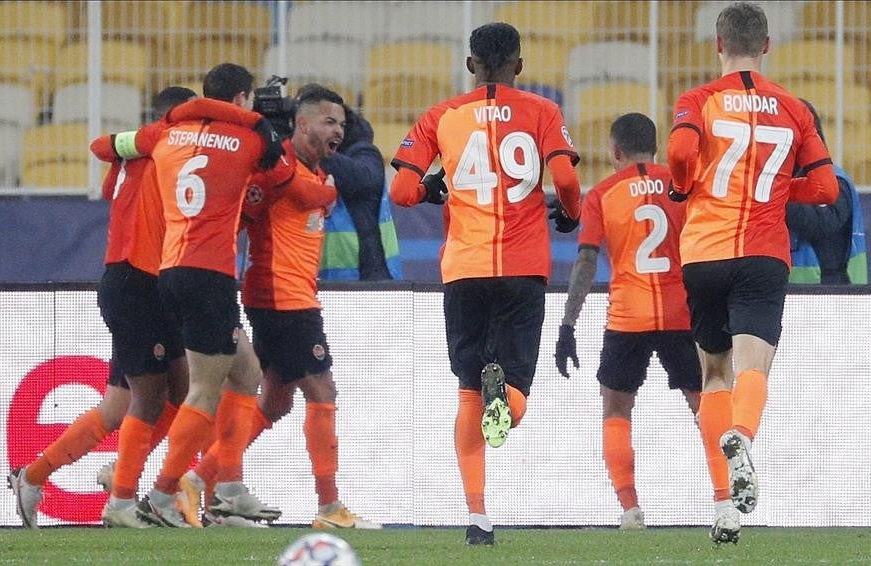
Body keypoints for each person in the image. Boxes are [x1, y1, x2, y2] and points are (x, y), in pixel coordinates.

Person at [389, 22, 582, 545]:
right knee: (513, 391)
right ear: (519, 65)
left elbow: (402, 191)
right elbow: (564, 179)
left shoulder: (441, 116)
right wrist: (570, 211)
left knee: (467, 389)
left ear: (471, 64)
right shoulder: (542, 111)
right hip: (522, 268)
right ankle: (509, 400)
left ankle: (477, 517)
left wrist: (435, 188)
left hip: (465, 269)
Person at [666, 2, 838, 544]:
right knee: (753, 368)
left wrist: (683, 185)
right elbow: (827, 190)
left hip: (704, 252)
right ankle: (742, 435)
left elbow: (679, 152)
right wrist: (784, 188)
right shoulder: (794, 108)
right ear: (766, 45)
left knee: (713, 374)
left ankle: (723, 506)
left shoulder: (698, 99)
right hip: (764, 252)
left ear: (718, 43)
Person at [91, 62, 291, 528]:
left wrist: (173, 121)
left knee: (246, 373)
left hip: (172, 270)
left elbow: (103, 146)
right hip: (210, 273)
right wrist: (261, 123)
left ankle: (229, 487)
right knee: (204, 389)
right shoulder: (248, 139)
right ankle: (163, 494)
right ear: (241, 101)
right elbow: (279, 177)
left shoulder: (163, 136)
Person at [176, 84, 380, 530]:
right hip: (281, 298)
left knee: (276, 401)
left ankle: (195, 481)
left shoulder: (318, 172)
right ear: (302, 123)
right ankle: (329, 509)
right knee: (322, 393)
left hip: (291, 297)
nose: (338, 132)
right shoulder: (275, 169)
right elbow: (247, 213)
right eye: (329, 122)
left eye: (342, 124)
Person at [7, 87, 198, 529]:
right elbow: (103, 153)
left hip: (150, 283)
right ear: (171, 119)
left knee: (140, 400)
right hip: (135, 281)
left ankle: (34, 477)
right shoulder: (158, 149)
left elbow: (107, 164)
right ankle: (123, 497)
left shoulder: (151, 157)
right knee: (150, 396)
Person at [555, 113, 702, 531]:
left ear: (614, 151)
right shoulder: (682, 189)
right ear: (656, 148)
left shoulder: (602, 194)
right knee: (703, 402)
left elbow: (586, 260)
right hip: (681, 312)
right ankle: (725, 499)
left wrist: (568, 325)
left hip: (627, 317)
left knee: (616, 407)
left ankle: (630, 508)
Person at [787, 99, 867, 285]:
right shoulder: (776, 180)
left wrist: (777, 196)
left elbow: (823, 223)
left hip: (831, 291)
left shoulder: (836, 181)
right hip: (788, 291)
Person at [319, 104, 402, 281]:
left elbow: (363, 178)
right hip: (324, 279)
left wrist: (311, 149)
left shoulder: (364, 154)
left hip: (365, 279)